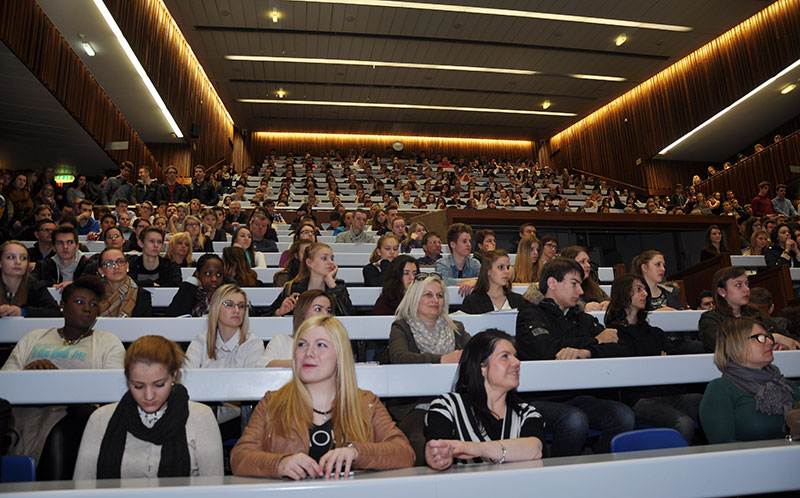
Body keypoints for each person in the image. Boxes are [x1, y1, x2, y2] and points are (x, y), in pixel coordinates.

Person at [231, 315, 415, 479]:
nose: (308, 353)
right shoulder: (272, 402)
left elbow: (404, 452)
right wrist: (279, 463)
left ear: (340, 356)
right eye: (302, 344)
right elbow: (240, 457)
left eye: (321, 345)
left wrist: (357, 452)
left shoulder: (366, 403)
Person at [2, 276, 125, 480]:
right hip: (25, 407)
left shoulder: (107, 342)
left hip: (77, 409)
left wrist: (57, 379)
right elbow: (5, 380)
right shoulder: (35, 337)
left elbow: (111, 389)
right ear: (62, 306)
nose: (87, 308)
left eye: (94, 304)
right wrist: (29, 371)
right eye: (79, 302)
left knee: (59, 429)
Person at [515, 258, 634, 456]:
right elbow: (545, 350)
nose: (580, 291)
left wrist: (587, 352)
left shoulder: (582, 318)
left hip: (577, 395)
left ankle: (602, 470)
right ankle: (561, 475)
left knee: (623, 415)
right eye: (574, 284)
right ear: (552, 283)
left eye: (580, 284)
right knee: (574, 420)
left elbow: (621, 348)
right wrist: (595, 341)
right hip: (538, 397)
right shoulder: (530, 314)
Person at [73, 335, 223, 478]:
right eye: (138, 386)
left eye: (159, 385)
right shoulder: (100, 420)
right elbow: (82, 486)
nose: (149, 396)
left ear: (174, 375)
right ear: (128, 380)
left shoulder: (201, 418)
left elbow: (215, 490)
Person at [596, 274, 703, 444]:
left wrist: (660, 366)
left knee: (713, 406)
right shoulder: (612, 334)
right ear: (623, 294)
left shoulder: (655, 332)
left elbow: (673, 362)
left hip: (669, 392)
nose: (645, 293)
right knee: (684, 424)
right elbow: (626, 371)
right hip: (638, 398)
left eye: (645, 289)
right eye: (638, 289)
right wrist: (657, 366)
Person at [424, 329, 544, 470]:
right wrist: (437, 456)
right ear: (482, 366)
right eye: (505, 356)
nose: (517, 362)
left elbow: (534, 449)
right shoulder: (447, 406)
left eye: (515, 356)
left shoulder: (526, 412)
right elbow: (438, 450)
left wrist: (476, 449)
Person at [388, 274, 470, 462]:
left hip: (455, 400)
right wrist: (442, 359)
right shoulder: (402, 327)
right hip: (415, 403)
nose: (435, 300)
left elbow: (477, 351)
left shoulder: (456, 327)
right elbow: (399, 357)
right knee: (420, 439)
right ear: (415, 298)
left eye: (440, 296)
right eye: (428, 295)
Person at [700, 317, 800, 444]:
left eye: (767, 337)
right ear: (736, 345)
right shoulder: (720, 389)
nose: (770, 342)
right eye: (760, 338)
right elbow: (722, 445)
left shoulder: (785, 385)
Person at [698, 266, 800, 353]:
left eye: (747, 284)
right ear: (721, 291)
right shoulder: (710, 319)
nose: (746, 289)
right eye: (739, 285)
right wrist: (772, 339)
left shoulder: (755, 313)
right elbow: (726, 345)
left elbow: (789, 339)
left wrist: (783, 346)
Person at [185, 284, 264, 369]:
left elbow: (253, 381)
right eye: (229, 304)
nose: (237, 310)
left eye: (241, 306)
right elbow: (187, 379)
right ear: (216, 307)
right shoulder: (200, 343)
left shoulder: (253, 344)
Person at [266, 243, 353, 317]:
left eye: (332, 258)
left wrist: (332, 285)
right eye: (324, 258)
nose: (331, 262)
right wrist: (280, 312)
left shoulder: (338, 287)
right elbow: (267, 314)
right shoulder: (292, 287)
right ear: (309, 263)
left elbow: (349, 317)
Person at [263, 289, 335, 368]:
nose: (325, 314)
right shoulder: (281, 341)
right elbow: (263, 365)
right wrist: (302, 363)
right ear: (303, 312)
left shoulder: (335, 343)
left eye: (328, 311)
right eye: (318, 309)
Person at [0, 240, 60, 317]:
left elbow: (55, 312)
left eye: (23, 258)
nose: (18, 262)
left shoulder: (36, 287)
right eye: (11, 257)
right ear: (0, 263)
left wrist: (23, 312)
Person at [462, 250, 528, 313]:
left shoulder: (519, 300)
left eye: (507, 267)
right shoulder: (472, 302)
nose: (507, 271)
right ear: (488, 270)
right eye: (500, 267)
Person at [32, 225, 92, 291]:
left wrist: (75, 285)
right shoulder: (43, 266)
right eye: (60, 243)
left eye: (69, 242)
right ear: (54, 247)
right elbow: (29, 283)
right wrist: (51, 286)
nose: (65, 247)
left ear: (77, 246)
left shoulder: (90, 265)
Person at [97, 247, 152, 317]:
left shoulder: (142, 296)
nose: (116, 267)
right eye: (108, 263)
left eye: (120, 261)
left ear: (127, 266)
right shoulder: (94, 295)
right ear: (101, 271)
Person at [435, 223, 480, 296]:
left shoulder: (475, 264)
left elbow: (486, 281)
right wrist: (473, 281)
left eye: (469, 241)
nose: (469, 244)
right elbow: (443, 282)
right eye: (464, 241)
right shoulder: (441, 263)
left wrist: (476, 282)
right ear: (453, 244)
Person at [560, 246, 609, 312]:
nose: (588, 265)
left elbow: (609, 301)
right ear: (569, 264)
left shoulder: (592, 286)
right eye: (582, 262)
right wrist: (583, 307)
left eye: (588, 261)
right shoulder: (559, 288)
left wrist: (608, 304)